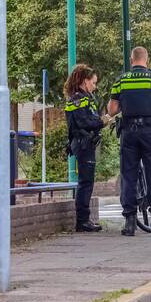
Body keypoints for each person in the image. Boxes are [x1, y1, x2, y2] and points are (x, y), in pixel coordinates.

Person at [108, 46, 151, 237]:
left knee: (128, 176)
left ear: (131, 60)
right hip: (150, 132)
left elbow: (112, 109)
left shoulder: (121, 80)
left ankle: (129, 223)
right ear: (147, 59)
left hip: (128, 133)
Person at [64, 65, 107, 233]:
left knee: (86, 182)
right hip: (83, 144)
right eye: (93, 82)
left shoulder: (79, 98)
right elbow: (84, 122)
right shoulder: (80, 99)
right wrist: (102, 121)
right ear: (85, 81)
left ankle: (84, 220)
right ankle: (82, 221)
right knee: (85, 183)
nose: (95, 86)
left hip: (82, 143)